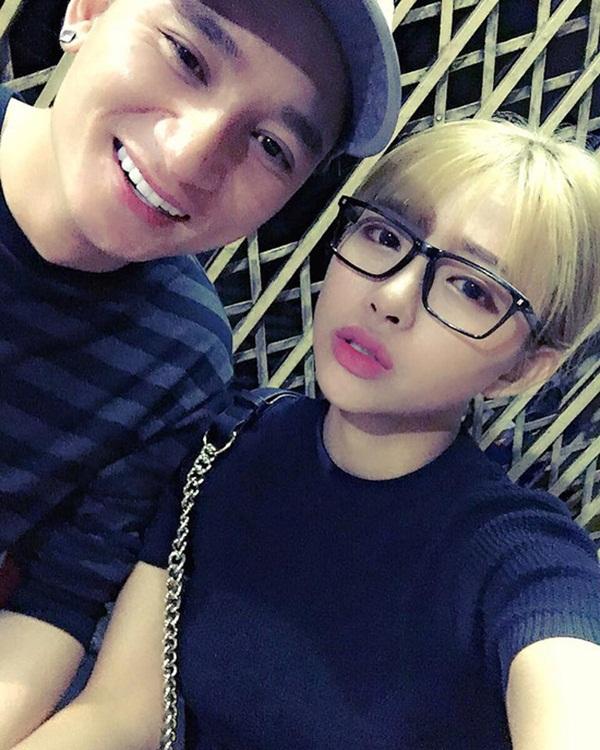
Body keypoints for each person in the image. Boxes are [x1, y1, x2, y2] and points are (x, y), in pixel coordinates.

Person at [15, 117, 600, 749]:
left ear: (522, 369)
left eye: (470, 288)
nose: (392, 295)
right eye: (385, 235)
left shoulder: (517, 556)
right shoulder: (231, 443)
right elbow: (120, 712)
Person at [0, 0, 401, 745]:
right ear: (89, 10)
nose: (190, 157)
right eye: (186, 56)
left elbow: (54, 602)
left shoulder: (182, 355)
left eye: (272, 146)